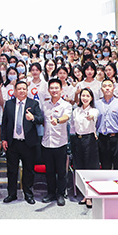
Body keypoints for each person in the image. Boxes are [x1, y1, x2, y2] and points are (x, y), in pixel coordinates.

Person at [1, 80, 44, 204]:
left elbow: (41, 119)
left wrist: (33, 118)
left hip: (28, 143)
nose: (21, 91)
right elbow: (4, 123)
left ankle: (28, 194)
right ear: (15, 91)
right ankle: (12, 194)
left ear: (27, 90)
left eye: (24, 89)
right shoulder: (9, 104)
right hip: (12, 143)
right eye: (19, 89)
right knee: (12, 170)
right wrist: (4, 139)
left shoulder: (33, 104)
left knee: (28, 170)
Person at [40, 78, 72, 206]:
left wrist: (58, 120)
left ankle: (60, 194)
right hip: (46, 142)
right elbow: (42, 120)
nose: (54, 90)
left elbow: (66, 117)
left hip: (60, 143)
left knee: (61, 171)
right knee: (49, 171)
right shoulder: (44, 104)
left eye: (56, 88)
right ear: (48, 90)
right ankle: (51, 193)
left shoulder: (66, 105)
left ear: (61, 90)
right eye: (52, 88)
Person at [69, 88, 99, 207]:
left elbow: (93, 116)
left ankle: (89, 196)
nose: (85, 98)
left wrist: (90, 117)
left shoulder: (94, 110)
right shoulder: (76, 111)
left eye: (87, 96)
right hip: (77, 139)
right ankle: (83, 193)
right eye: (83, 95)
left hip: (89, 139)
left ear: (91, 98)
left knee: (90, 167)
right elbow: (72, 126)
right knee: (79, 166)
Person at [95, 79, 118, 170]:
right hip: (102, 139)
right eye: (104, 86)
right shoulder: (96, 104)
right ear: (101, 89)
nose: (107, 88)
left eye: (109, 86)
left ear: (114, 88)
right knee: (105, 167)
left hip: (117, 138)